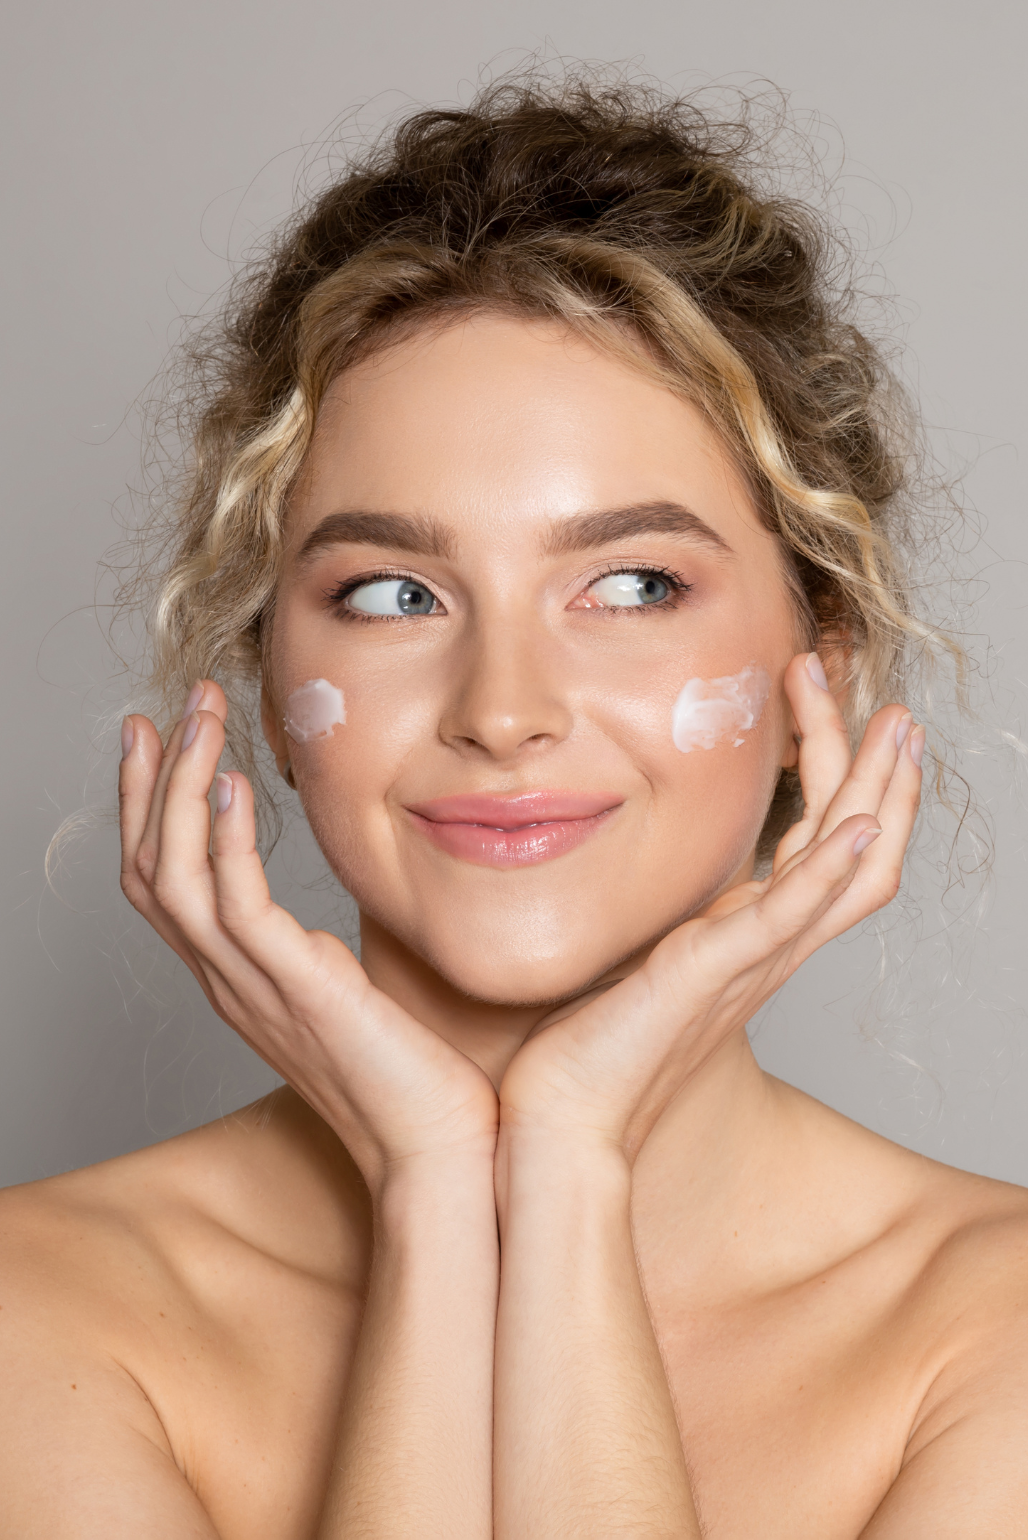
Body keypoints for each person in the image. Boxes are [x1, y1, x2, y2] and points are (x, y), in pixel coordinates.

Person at [3, 73, 1027, 1539]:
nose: (503, 708)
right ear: (271, 680)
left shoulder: (997, 1340)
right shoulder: (38, 1318)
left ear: (824, 671)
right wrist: (441, 1187)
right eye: (393, 594)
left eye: (630, 586)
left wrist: (567, 1161)